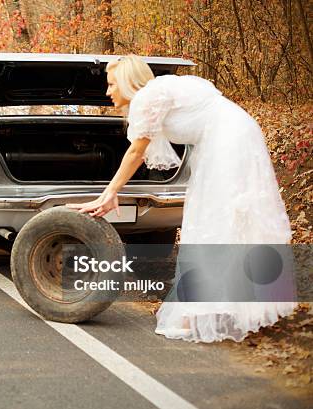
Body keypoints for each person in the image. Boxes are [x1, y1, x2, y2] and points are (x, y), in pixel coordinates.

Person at [67, 55, 296, 342]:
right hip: (231, 136)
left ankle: (200, 313)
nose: (107, 91)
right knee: (223, 223)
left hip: (228, 142)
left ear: (126, 82)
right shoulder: (155, 93)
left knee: (216, 223)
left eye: (112, 84)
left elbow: (136, 153)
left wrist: (110, 192)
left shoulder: (146, 98)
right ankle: (230, 305)